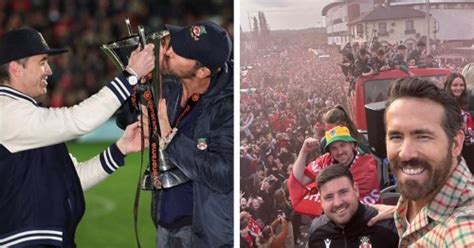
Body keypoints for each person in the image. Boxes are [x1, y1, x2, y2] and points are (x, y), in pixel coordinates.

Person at [0, 27, 155, 247]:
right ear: (16, 68)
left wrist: (120, 149)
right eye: (42, 61)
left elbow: (73, 180)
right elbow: (77, 120)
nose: (49, 70)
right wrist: (130, 77)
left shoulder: (28, 118)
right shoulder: (6, 112)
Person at [149, 20, 233, 247]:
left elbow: (223, 173)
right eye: (175, 43)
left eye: (180, 51)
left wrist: (169, 136)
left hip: (205, 232)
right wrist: (144, 75)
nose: (168, 51)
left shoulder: (229, 106)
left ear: (203, 71)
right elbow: (125, 117)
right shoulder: (170, 86)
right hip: (166, 222)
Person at [384, 77, 474, 246]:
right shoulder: (417, 194)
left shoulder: (462, 228)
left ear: (455, 144)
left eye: (423, 137)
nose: (405, 153)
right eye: (396, 136)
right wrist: (396, 211)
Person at [288, 126, 380, 217]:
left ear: (352, 144)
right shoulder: (326, 159)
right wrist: (304, 152)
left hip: (362, 219)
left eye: (342, 145)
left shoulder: (366, 166)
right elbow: (299, 180)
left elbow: (349, 205)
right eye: (334, 148)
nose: (339, 152)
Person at [307, 165, 399, 248]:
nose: (337, 203)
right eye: (329, 197)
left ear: (356, 190)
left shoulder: (387, 227)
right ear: (321, 201)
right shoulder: (316, 231)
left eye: (343, 192)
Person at [444, 73, 473, 144]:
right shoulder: (443, 102)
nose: (459, 88)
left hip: (464, 141)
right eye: (455, 85)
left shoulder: (465, 100)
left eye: (461, 85)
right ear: (449, 86)